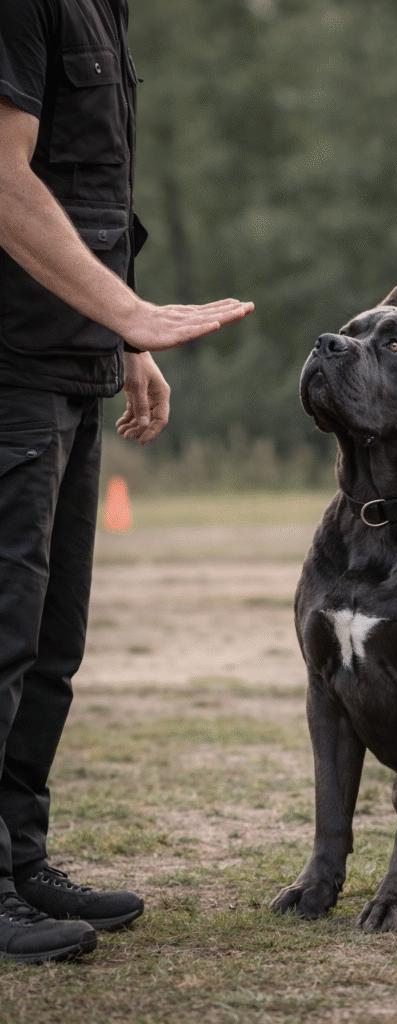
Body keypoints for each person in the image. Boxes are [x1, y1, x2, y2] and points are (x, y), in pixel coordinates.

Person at [0, 0, 253, 963]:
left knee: (49, 647)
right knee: (2, 640)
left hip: (68, 361)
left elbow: (81, 191)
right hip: (11, 367)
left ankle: (20, 863)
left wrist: (119, 340)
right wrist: (129, 311)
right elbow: (4, 178)